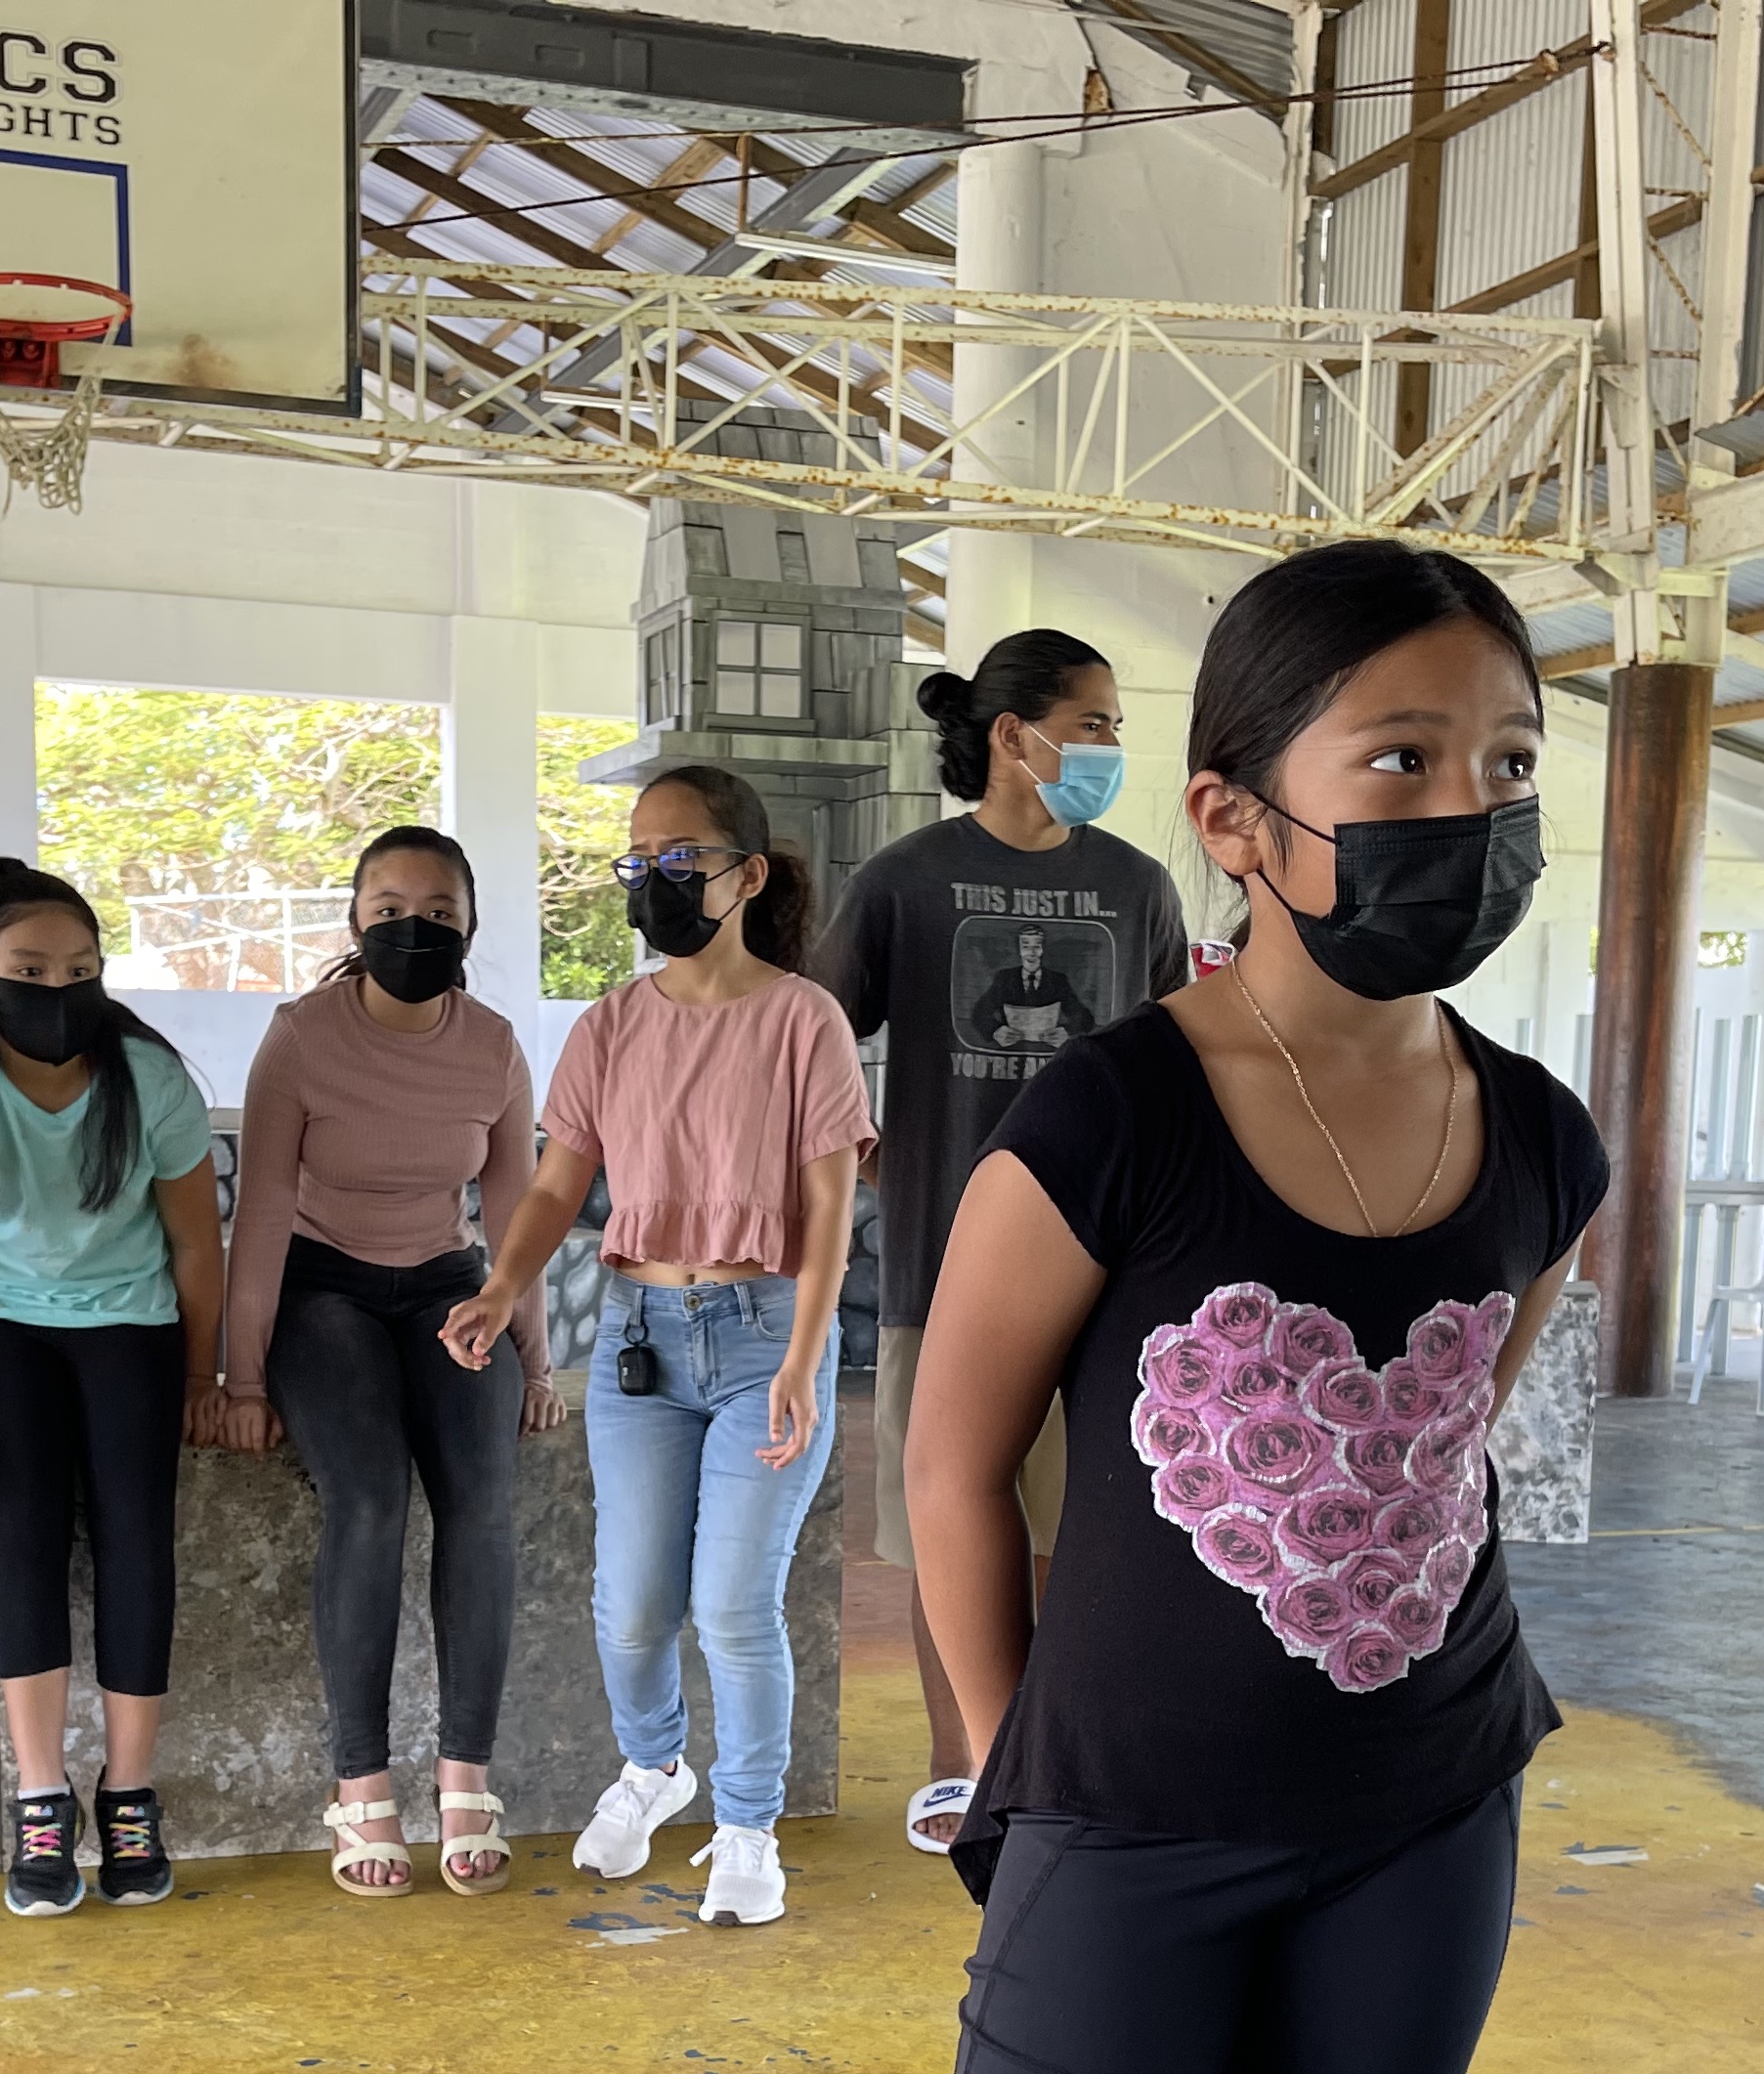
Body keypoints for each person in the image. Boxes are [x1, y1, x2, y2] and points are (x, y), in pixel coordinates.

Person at [894, 541, 1603, 2074]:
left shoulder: (1542, 1140)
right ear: (1230, 817)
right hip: (1121, 1816)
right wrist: (1008, 1779)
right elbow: (953, 1466)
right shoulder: (1105, 1116)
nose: (1470, 810)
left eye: (1509, 763)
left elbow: (1449, 1450)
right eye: (1400, 759)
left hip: (1428, 1812)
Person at [440, 762, 872, 1929]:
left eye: (682, 858)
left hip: (765, 1333)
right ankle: (653, 1765)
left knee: (733, 1605)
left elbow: (831, 1205)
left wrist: (804, 1359)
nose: (655, 880)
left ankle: (748, 1828)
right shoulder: (611, 1026)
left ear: (748, 875)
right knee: (631, 1604)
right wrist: (501, 1286)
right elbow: (554, 1185)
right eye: (640, 860)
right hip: (641, 1339)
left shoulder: (803, 1020)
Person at [813, 627, 1189, 1856]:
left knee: (1086, 1535)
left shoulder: (1138, 888)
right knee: (949, 1523)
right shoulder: (905, 881)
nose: (1111, 746)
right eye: (1095, 723)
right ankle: (962, 1764)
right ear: (1013, 736)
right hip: (943, 1265)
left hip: (1114, 1274)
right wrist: (863, 1142)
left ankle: (1062, 1752)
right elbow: (810, 1039)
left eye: (1115, 725)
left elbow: (1187, 1061)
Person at [216, 826, 561, 1897]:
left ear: (471, 924)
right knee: (367, 1498)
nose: (414, 928)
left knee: (481, 1499)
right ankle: (360, 1782)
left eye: (439, 911)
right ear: (354, 921)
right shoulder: (301, 1036)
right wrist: (241, 1377)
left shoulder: (493, 1044)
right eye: (389, 909)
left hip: (448, 1284)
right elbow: (259, 1209)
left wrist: (535, 1356)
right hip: (323, 1286)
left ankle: (465, 1773)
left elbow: (514, 1207)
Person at [0, 859, 224, 1919]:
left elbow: (194, 1243)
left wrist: (203, 1374)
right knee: (23, 1533)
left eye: (80, 968)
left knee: (137, 1539)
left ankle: (128, 1792)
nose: (57, 987)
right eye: (29, 969)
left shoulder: (148, 1080)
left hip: (131, 1325)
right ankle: (41, 1793)